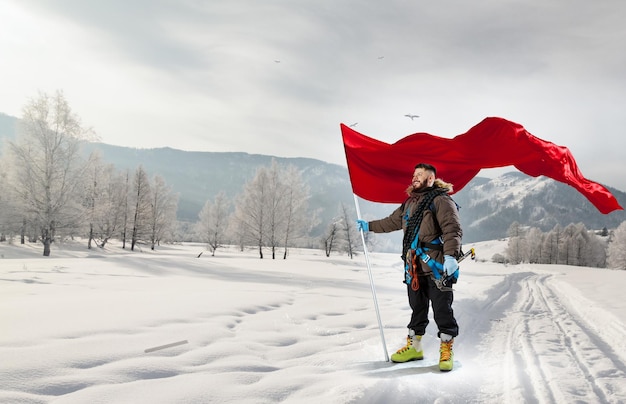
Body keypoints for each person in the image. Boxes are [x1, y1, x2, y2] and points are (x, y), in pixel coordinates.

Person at [356, 163, 462, 371]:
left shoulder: (442, 201)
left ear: (430, 179)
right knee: (417, 308)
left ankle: (446, 349)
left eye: (420, 175)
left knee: (442, 310)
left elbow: (452, 230)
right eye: (414, 174)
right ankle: (415, 348)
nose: (415, 178)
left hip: (437, 266)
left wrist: (450, 256)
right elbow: (391, 222)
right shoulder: (409, 203)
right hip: (414, 267)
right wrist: (369, 226)